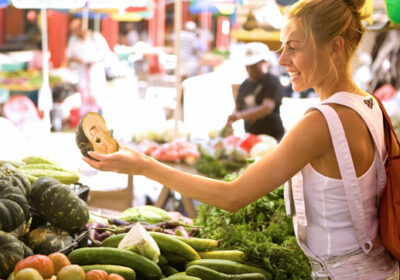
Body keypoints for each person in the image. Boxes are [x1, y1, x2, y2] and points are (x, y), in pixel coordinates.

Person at [83, 0, 400, 279]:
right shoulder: (369, 104)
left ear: (334, 46)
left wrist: (144, 166)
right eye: (282, 47)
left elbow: (232, 197)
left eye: (294, 47)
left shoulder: (320, 123)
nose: (282, 60)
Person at [227, 42, 285, 141]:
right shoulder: (245, 84)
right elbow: (238, 107)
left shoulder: (271, 81)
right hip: (251, 135)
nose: (250, 70)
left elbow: (267, 107)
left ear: (265, 63)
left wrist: (241, 115)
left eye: (254, 66)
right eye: (247, 66)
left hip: (272, 136)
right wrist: (231, 119)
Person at [66, 18, 112, 116]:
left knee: (98, 97)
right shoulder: (73, 40)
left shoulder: (95, 38)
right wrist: (78, 61)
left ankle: (100, 118)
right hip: (81, 74)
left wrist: (92, 62)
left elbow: (106, 54)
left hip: (95, 73)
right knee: (84, 97)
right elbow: (69, 57)